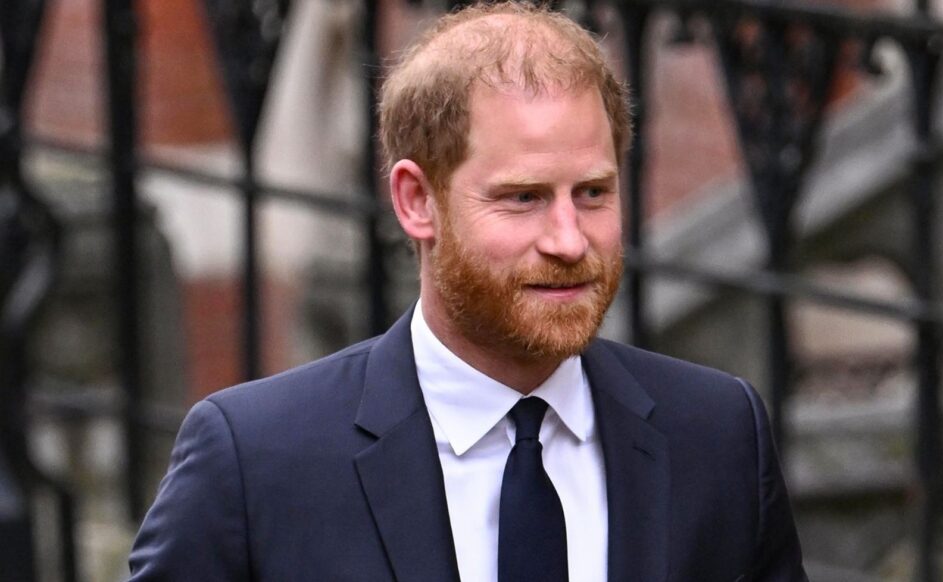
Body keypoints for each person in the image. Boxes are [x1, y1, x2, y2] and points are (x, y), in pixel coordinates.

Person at [128, 2, 807, 581]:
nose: (569, 240)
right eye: (523, 198)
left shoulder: (719, 437)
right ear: (417, 201)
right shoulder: (255, 460)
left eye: (593, 193)